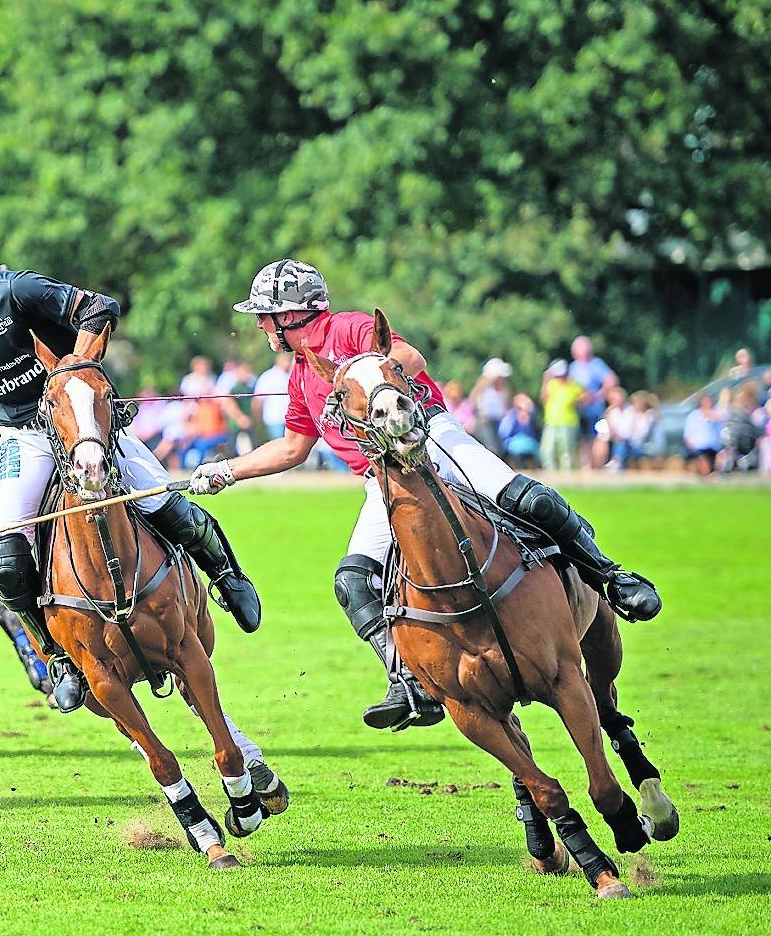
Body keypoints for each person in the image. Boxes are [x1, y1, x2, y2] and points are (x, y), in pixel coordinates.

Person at [186, 259, 661, 731]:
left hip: (431, 439)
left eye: (265, 315)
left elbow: (413, 359)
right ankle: (408, 678)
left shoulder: (348, 328)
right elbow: (293, 447)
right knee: (352, 582)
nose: (261, 326)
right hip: (386, 476)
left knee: (527, 499)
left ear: (289, 316)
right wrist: (227, 470)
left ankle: (611, 577)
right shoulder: (299, 376)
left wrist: (362, 373)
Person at [0, 231, 263, 713]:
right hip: (26, 435)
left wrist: (72, 373)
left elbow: (100, 307)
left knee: (159, 499)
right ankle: (59, 657)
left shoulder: (16, 292)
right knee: (6, 559)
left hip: (82, 419)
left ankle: (227, 575)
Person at [569, 336, 616, 469]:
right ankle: (587, 467)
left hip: (595, 409)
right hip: (580, 410)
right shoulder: (573, 367)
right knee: (584, 440)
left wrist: (598, 395)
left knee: (599, 438)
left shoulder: (596, 364)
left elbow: (611, 380)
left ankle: (598, 466)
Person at [539, 359, 583, 471]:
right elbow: (544, 398)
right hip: (551, 422)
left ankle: (566, 475)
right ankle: (551, 474)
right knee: (547, 450)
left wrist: (576, 401)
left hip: (568, 422)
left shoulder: (572, 385)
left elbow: (585, 398)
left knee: (566, 452)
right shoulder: (551, 385)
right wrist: (545, 380)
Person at [470, 358, 512, 455]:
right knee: (491, 447)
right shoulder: (483, 385)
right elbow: (473, 398)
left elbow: (506, 401)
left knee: (498, 448)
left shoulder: (501, 387)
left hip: (495, 421)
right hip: (484, 422)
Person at [252, 353, 292, 441]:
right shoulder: (268, 377)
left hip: (290, 417)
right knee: (279, 444)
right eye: (286, 361)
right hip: (274, 418)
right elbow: (258, 400)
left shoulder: (290, 375)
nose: (288, 363)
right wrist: (257, 420)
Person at [499, 393, 541, 466]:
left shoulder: (531, 416)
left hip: (529, 443)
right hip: (514, 443)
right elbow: (504, 432)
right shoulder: (511, 416)